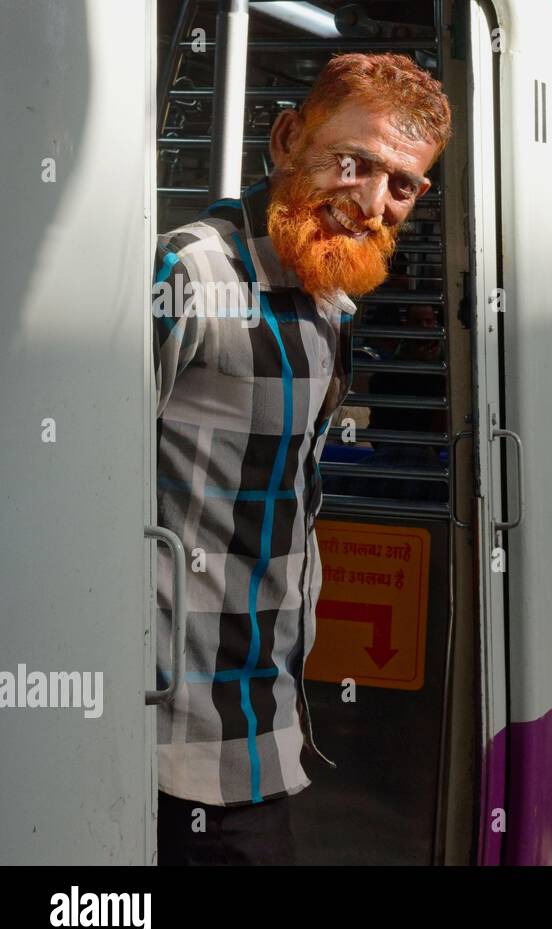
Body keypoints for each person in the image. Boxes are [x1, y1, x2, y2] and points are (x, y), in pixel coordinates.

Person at [152, 53, 452, 864]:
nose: (373, 200)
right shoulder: (190, 274)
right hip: (172, 744)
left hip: (262, 718)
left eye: (403, 185)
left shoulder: (326, 297)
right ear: (287, 139)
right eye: (354, 163)